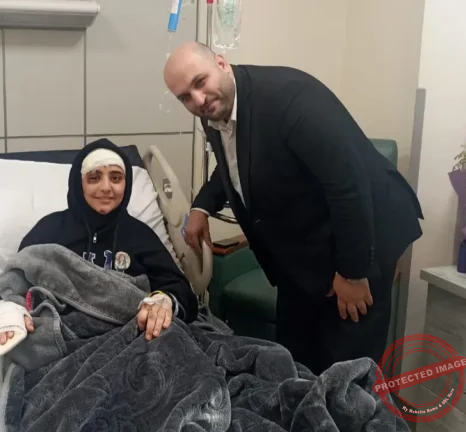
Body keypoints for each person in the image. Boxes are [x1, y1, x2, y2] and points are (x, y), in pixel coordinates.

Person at [163, 42, 424, 374]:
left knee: (346, 371)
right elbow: (232, 163)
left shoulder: (290, 99)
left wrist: (352, 273)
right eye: (185, 97)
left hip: (363, 232)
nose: (198, 100)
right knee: (293, 359)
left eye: (200, 82)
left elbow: (347, 186)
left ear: (221, 63)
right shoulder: (214, 110)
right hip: (302, 247)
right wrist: (202, 207)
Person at [0, 139, 199, 355]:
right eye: (94, 178)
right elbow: (15, 280)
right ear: (79, 184)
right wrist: (7, 313)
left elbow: (179, 289)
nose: (106, 187)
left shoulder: (140, 235)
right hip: (65, 342)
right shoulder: (49, 231)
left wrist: (163, 302)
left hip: (132, 343)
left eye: (116, 178)